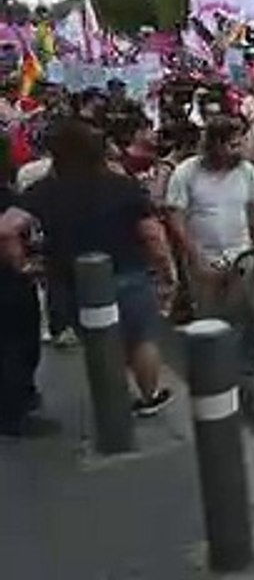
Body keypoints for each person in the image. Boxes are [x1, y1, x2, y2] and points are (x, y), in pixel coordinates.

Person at [2, 119, 178, 419]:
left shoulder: (43, 190)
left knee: (100, 343)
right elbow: (151, 233)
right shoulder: (122, 186)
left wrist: (23, 264)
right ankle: (148, 396)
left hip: (71, 281)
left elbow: (6, 230)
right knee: (141, 338)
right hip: (128, 272)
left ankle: (112, 400)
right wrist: (166, 271)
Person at [166, 117, 254, 320]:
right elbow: (175, 216)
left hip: (242, 256)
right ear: (215, 144)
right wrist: (195, 255)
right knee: (209, 318)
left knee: (243, 316)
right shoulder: (186, 172)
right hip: (204, 258)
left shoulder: (246, 170)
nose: (239, 150)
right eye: (233, 145)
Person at [0, 134, 57, 437]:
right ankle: (15, 413)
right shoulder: (6, 197)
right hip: (8, 283)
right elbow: (7, 231)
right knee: (18, 345)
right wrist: (24, 264)